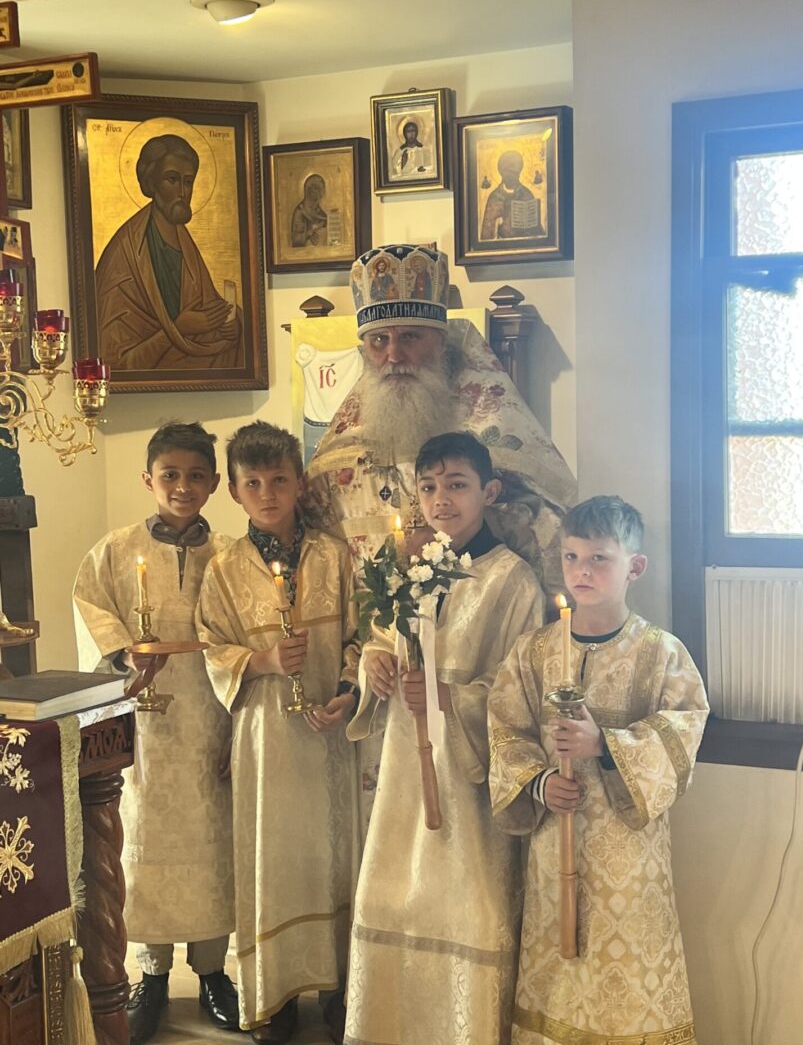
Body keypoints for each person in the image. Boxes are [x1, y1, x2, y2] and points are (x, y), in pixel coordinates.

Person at [305, 242, 576, 826]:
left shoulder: (502, 455)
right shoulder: (337, 467)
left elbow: (550, 567)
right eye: (379, 341)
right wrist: (363, 665)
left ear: (443, 343)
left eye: (410, 337)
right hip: (385, 706)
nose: (394, 354)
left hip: (477, 707)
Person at [344, 432, 544, 1045]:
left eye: (456, 485)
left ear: (489, 491)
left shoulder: (515, 583)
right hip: (407, 768)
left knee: (470, 907)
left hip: (468, 778)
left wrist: (449, 697)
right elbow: (383, 641)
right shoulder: (407, 570)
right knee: (394, 897)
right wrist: (371, 668)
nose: (441, 500)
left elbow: (524, 688)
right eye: (427, 487)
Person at [488, 496, 709, 1044]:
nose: (581, 572)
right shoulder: (534, 650)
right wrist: (538, 782)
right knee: (557, 979)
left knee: (626, 982)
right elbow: (504, 729)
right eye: (570, 557)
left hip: (629, 861)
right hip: (551, 842)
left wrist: (604, 744)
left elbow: (683, 734)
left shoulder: (662, 652)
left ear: (634, 566)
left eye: (599, 559)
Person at [72, 421, 237, 1045]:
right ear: (149, 479)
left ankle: (215, 973)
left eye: (197, 475)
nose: (183, 486)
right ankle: (152, 974)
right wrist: (121, 657)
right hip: (139, 724)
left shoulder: (228, 555)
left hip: (206, 721)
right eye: (170, 474)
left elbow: (245, 637)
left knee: (210, 844)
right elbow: (89, 606)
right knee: (139, 847)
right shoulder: (113, 551)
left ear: (215, 483)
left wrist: (235, 724)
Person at [196, 421, 360, 1044]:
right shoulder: (224, 570)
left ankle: (342, 985)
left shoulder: (332, 554)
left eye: (280, 481)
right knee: (276, 858)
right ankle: (276, 992)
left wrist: (348, 689)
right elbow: (211, 646)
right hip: (265, 736)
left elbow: (359, 631)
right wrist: (260, 662)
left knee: (334, 856)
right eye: (253, 484)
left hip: (330, 734)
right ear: (234, 492)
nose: (268, 494)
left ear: (299, 483)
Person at [95, 133, 242, 371]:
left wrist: (231, 326)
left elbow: (207, 308)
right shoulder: (125, 252)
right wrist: (177, 329)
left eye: (188, 181)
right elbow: (112, 356)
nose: (183, 192)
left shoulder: (184, 242)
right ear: (151, 184)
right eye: (172, 180)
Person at [480, 150, 545, 240]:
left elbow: (536, 231)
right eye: (508, 174)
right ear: (502, 174)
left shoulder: (526, 194)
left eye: (514, 174)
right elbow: (487, 233)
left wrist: (531, 225)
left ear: (519, 173)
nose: (511, 178)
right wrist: (498, 221)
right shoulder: (494, 197)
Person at [290, 172, 328, 247]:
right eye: (318, 189)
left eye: (322, 189)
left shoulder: (321, 213)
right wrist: (309, 233)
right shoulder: (300, 211)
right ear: (308, 190)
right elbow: (296, 241)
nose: (321, 194)